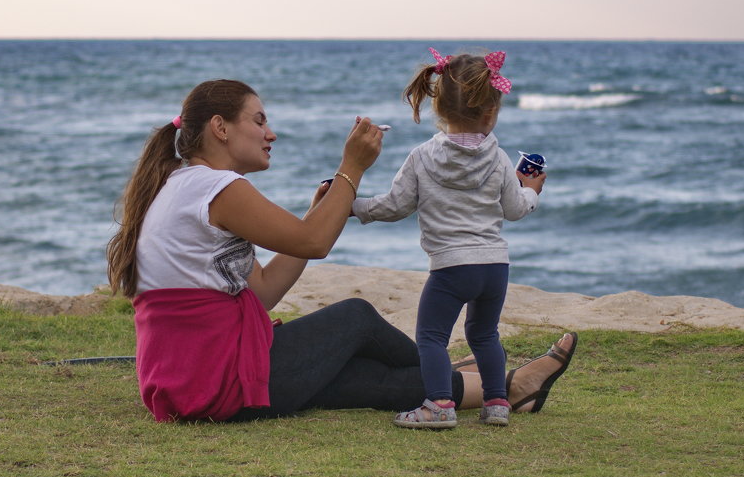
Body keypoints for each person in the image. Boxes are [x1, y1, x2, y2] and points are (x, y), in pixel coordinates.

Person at [106, 78, 577, 423]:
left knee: (361, 379)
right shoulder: (217, 187)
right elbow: (314, 241)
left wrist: (320, 213)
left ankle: (510, 389)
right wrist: (352, 167)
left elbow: (265, 292)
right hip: (214, 375)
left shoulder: (183, 186)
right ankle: (459, 374)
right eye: (259, 120)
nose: (270, 133)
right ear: (220, 128)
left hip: (184, 381)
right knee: (355, 316)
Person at [352, 49, 575, 429]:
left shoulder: (422, 158)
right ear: (491, 113)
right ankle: (497, 403)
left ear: (438, 107)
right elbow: (516, 209)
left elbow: (394, 206)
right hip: (494, 266)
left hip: (452, 268)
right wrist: (533, 190)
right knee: (484, 334)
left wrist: (352, 205)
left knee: (431, 337)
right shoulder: (500, 158)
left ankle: (439, 404)